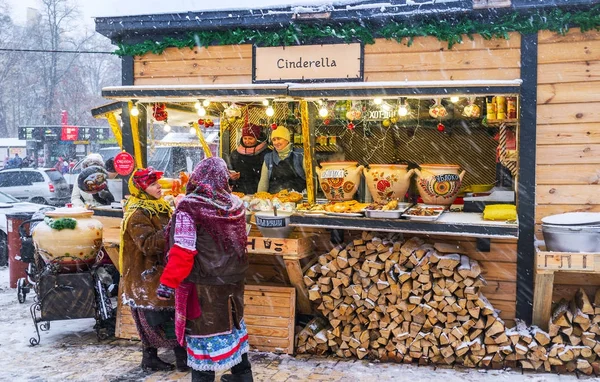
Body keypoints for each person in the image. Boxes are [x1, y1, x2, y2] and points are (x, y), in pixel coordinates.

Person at [157, 157, 252, 382]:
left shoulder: (190, 207)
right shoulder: (236, 204)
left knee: (203, 336)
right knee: (232, 327)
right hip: (232, 282)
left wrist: (168, 283)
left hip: (203, 284)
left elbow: (183, 250)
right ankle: (243, 377)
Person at [120, 167, 189, 372]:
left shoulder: (159, 206)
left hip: (160, 272)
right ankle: (154, 358)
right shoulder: (137, 214)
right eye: (152, 184)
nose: (159, 187)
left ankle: (177, 357)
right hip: (146, 275)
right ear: (141, 189)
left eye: (157, 183)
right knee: (156, 317)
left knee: (170, 314)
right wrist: (173, 228)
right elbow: (149, 245)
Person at [257, 125, 306, 194]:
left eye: (279, 139)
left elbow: (311, 180)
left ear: (287, 140)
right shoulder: (269, 158)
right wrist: (260, 198)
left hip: (299, 200)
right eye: (274, 140)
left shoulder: (300, 155)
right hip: (275, 201)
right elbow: (263, 182)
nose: (276, 142)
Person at [229, 124, 270, 195]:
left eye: (250, 138)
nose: (247, 141)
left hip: (260, 192)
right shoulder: (235, 154)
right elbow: (229, 172)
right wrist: (232, 177)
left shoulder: (267, 154)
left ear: (257, 138)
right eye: (245, 138)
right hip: (239, 192)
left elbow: (268, 176)